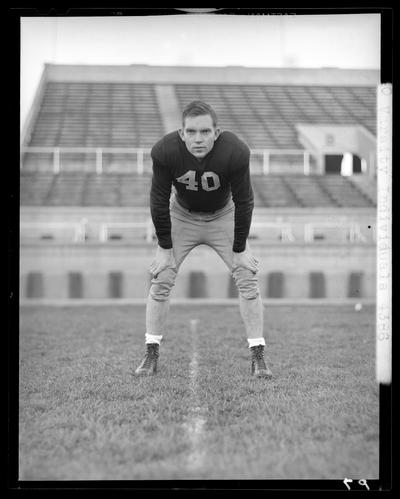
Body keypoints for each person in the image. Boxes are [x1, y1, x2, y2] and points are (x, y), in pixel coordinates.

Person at [134, 100, 272, 378]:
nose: (198, 138)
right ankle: (151, 353)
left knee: (247, 274)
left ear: (216, 132)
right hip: (182, 215)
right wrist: (164, 247)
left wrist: (240, 247)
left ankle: (258, 355)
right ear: (182, 133)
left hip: (223, 215)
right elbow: (158, 201)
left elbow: (244, 200)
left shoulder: (235, 150)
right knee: (162, 277)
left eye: (205, 132)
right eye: (192, 132)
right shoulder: (165, 151)